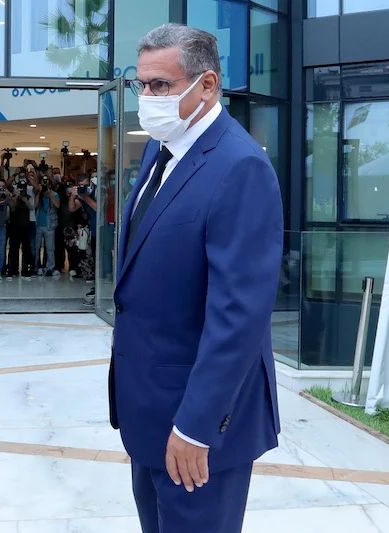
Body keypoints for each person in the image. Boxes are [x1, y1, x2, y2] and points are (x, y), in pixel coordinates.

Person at [109, 24, 283, 533]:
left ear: (207, 85)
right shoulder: (160, 150)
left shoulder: (240, 166)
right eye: (141, 84)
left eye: (160, 85)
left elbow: (239, 315)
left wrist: (196, 426)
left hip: (197, 430)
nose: (147, 98)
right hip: (148, 415)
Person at [5, 172, 35, 278]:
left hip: (26, 225)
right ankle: (13, 269)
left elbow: (31, 207)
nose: (22, 189)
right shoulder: (14, 194)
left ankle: (26, 269)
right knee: (13, 248)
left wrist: (25, 200)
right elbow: (12, 207)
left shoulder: (29, 195)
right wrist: (15, 198)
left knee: (26, 248)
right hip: (14, 225)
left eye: (23, 187)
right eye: (20, 187)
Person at [34, 175, 60, 276]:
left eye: (46, 182)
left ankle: (50, 267)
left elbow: (57, 205)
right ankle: (37, 267)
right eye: (43, 182)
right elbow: (35, 205)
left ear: (50, 183)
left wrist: (50, 195)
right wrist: (39, 192)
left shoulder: (54, 194)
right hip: (38, 225)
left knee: (50, 248)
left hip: (49, 225)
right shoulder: (39, 193)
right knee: (36, 247)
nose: (45, 183)